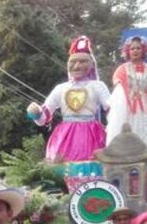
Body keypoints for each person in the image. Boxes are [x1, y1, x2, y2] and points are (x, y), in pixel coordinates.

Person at [27, 36, 112, 164]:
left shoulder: (97, 86)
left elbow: (111, 110)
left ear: (91, 65)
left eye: (83, 62)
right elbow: (45, 115)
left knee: (92, 170)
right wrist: (36, 113)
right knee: (63, 170)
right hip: (64, 138)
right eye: (73, 62)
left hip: (92, 137)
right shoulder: (61, 88)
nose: (77, 66)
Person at [107, 36, 147, 172]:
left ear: (143, 50)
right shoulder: (123, 69)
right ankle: (126, 165)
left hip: (145, 107)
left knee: (146, 132)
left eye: (138, 48)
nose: (135, 51)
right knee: (129, 130)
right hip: (128, 107)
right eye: (132, 48)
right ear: (127, 51)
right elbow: (118, 83)